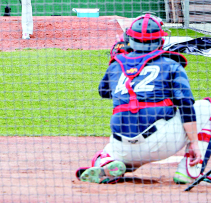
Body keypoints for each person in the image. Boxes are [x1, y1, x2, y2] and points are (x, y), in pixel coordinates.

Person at [76, 14, 211, 185]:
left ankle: (107, 162)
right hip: (160, 143)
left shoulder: (117, 64)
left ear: (129, 39)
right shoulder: (171, 64)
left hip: (121, 146)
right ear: (160, 40)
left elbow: (104, 92)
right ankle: (190, 171)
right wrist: (194, 143)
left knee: (108, 150)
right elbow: (185, 105)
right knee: (207, 106)